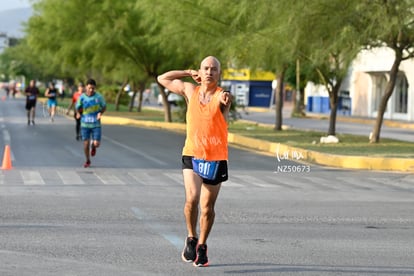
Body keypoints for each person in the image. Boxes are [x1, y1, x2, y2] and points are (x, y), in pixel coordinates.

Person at [157, 56, 232, 267]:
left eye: (214, 69)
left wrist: (225, 105)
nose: (209, 72)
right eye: (206, 68)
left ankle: (202, 245)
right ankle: (191, 237)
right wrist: (187, 72)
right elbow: (162, 78)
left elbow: (224, 120)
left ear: (219, 73)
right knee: (192, 199)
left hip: (216, 157)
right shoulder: (190, 91)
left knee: (207, 208)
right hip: (192, 154)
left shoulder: (222, 95)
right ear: (200, 71)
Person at [75, 79, 106, 168]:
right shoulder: (82, 97)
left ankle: (93, 146)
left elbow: (104, 107)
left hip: (96, 124)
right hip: (85, 124)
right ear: (86, 87)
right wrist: (78, 113)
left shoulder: (99, 97)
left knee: (97, 144)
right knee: (85, 144)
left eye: (93, 88)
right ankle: (88, 160)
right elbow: (78, 107)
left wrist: (100, 113)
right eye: (89, 88)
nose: (91, 90)